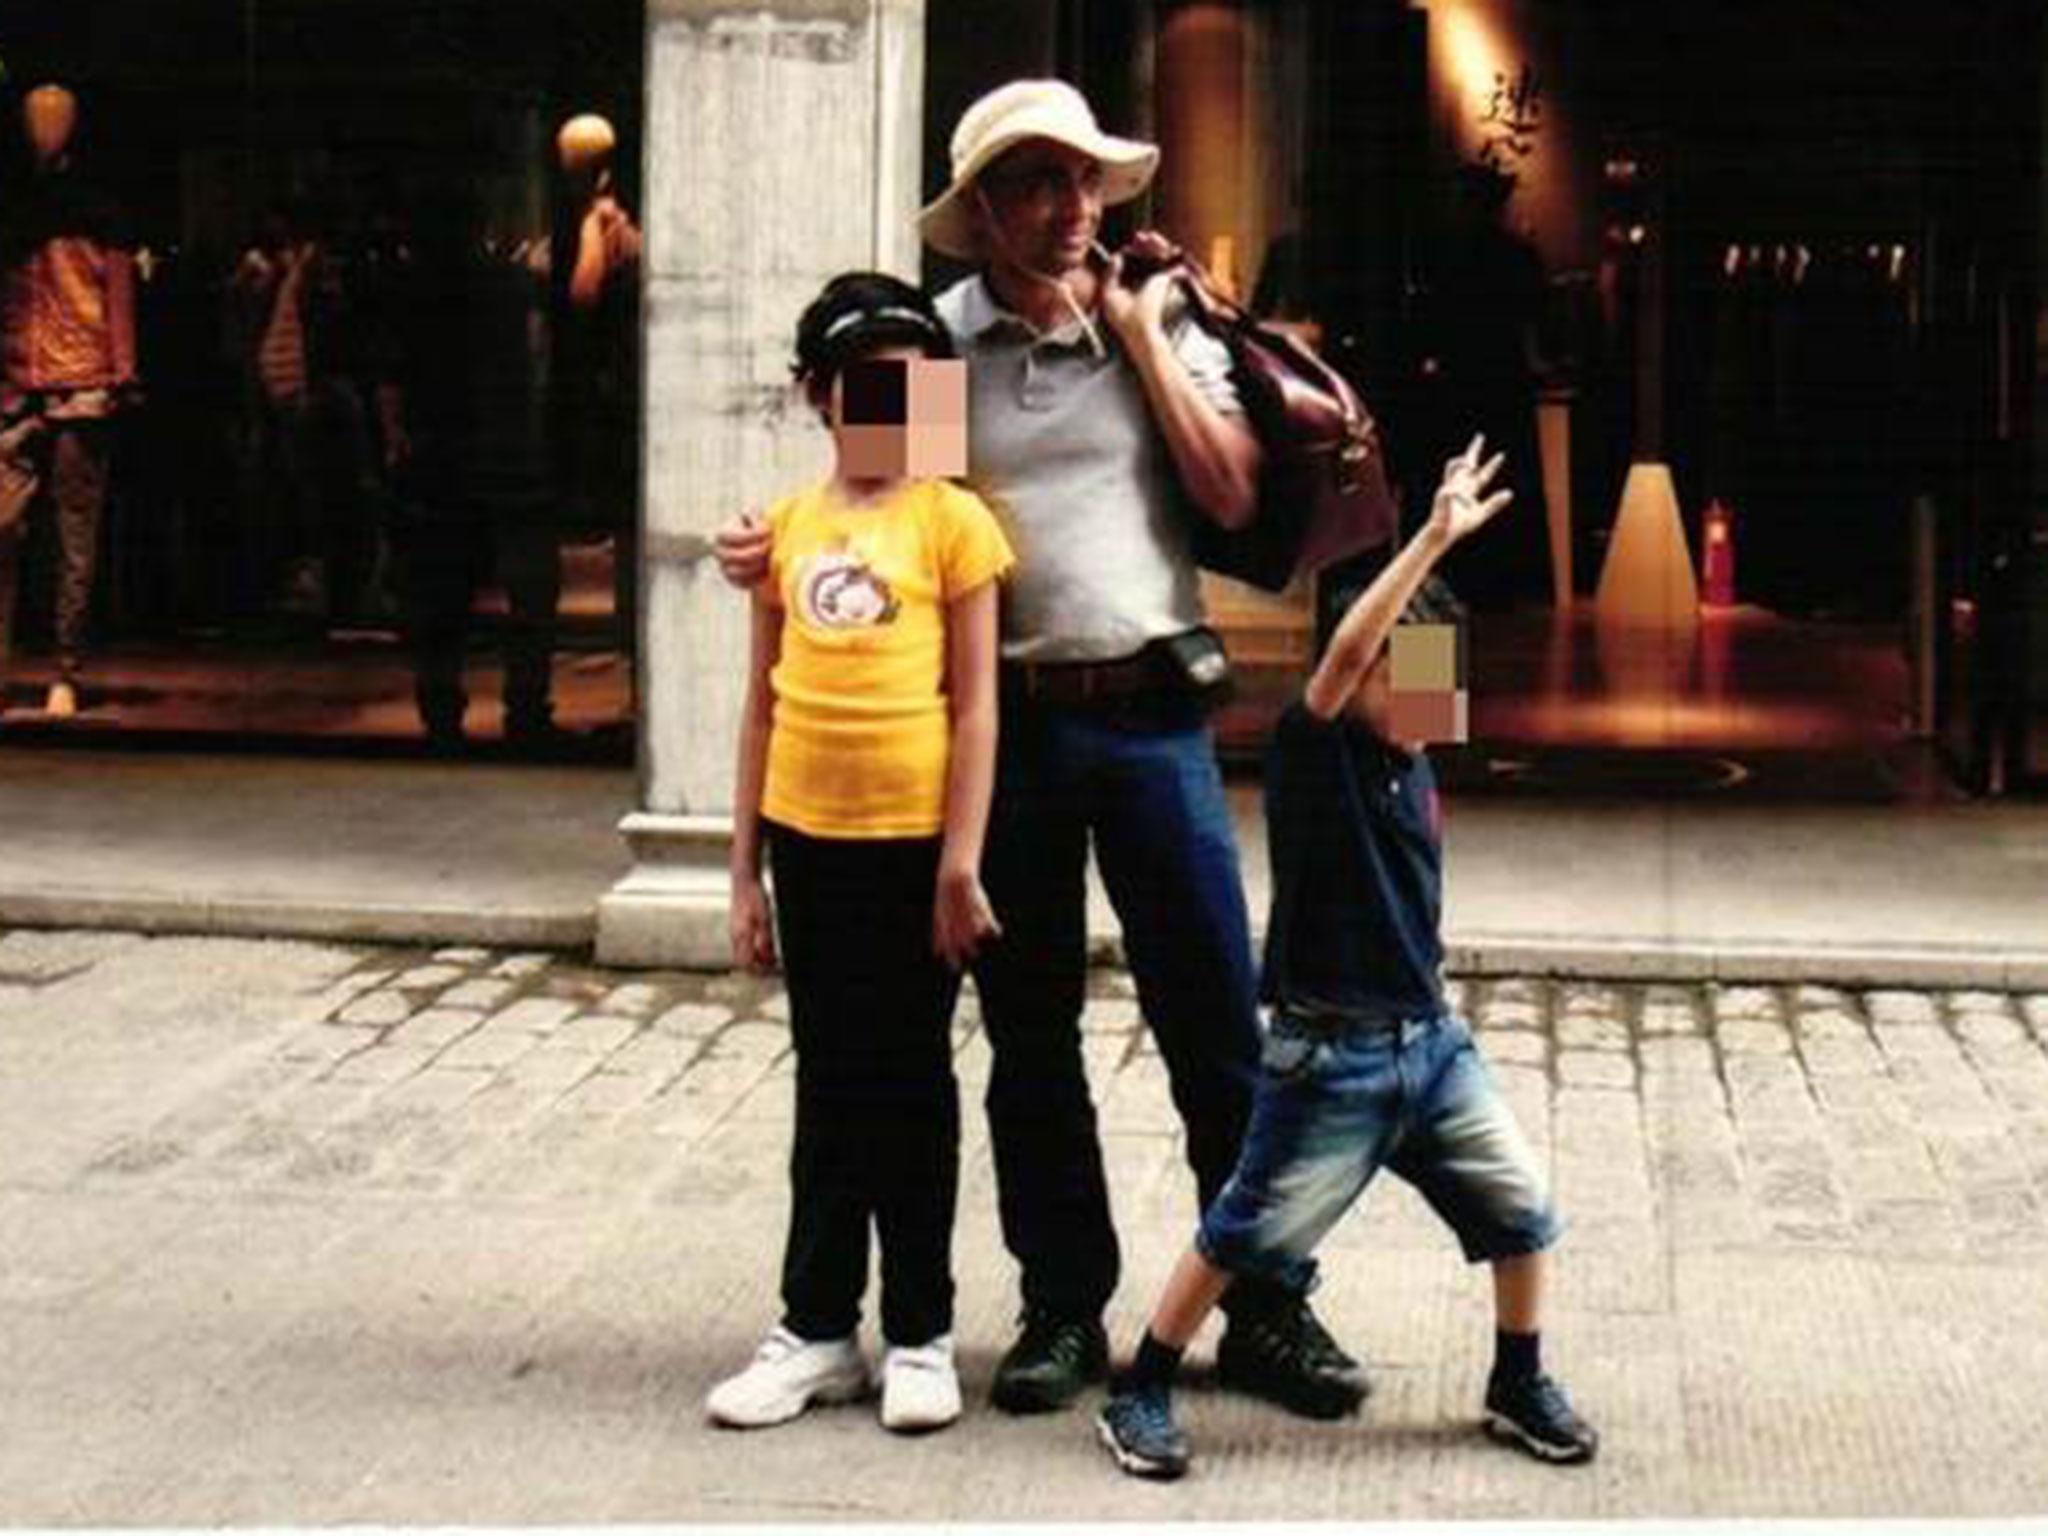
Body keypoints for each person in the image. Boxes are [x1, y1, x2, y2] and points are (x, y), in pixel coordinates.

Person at [716, 78, 1365, 1420]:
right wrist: (761, 549)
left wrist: (1134, 331)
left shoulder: (1159, 322)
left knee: (1213, 1022)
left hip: (1150, 721)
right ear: (984, 213)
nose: (1069, 210)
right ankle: (1063, 1305)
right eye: (1034, 186)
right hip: (1006, 729)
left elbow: (1231, 491)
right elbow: (881, 512)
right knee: (1030, 1034)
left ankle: (1266, 1304)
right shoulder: (942, 351)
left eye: (1083, 184)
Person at [1094, 435, 1600, 1481]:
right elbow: (1338, 663)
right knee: (1245, 1233)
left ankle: (1515, 1377)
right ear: (1358, 677)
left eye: (1441, 681)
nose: (1430, 704)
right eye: (1407, 677)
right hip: (1329, 1058)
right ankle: (1142, 1379)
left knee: (1522, 1210)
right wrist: (1428, 536)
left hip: (1431, 1046)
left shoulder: (1412, 773)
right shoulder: (1316, 755)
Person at [705, 272, 1014, 1436]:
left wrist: (959, 860)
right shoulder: (784, 529)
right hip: (807, 841)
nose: (887, 406)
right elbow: (758, 705)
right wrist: (742, 873)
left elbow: (977, 707)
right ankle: (816, 1327)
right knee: (827, 1082)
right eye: (864, 384)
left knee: (914, 1081)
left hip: (912, 850)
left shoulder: (952, 522)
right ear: (817, 396)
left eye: (910, 382)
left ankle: (921, 1330)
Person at [0, 83, 140, 721]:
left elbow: (116, 293)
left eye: (57, 118)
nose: (45, 128)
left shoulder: (99, 209)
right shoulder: (12, 206)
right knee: (5, 532)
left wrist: (122, 368)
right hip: (13, 384)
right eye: (36, 117)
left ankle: (65, 668)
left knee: (73, 536)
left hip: (84, 384)